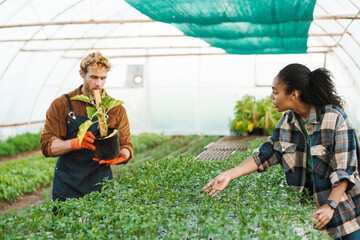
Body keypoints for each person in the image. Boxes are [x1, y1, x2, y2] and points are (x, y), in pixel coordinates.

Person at [202, 63, 360, 240]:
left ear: (294, 94)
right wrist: (228, 175)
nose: (271, 96)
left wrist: (330, 205)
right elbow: (265, 154)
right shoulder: (287, 122)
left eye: (276, 92)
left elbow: (346, 170)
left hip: (344, 209)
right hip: (312, 211)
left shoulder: (334, 118)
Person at [40, 52, 133, 205]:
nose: (99, 84)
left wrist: (122, 155)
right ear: (82, 74)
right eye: (94, 77)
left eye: (103, 78)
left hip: (100, 181)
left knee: (101, 227)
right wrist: (75, 143)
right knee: (66, 227)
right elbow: (47, 145)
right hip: (68, 182)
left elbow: (126, 145)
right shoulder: (62, 105)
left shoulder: (116, 109)